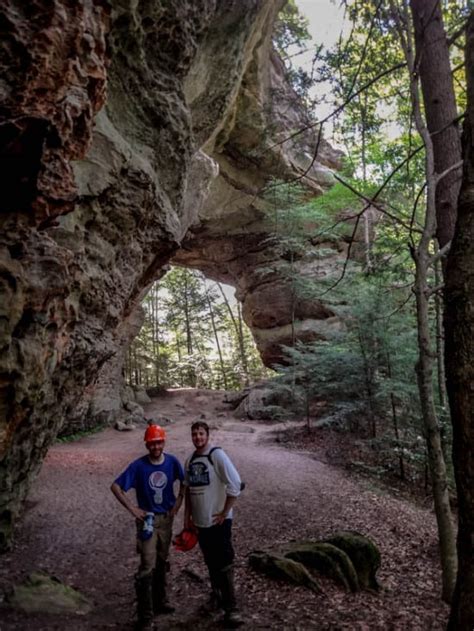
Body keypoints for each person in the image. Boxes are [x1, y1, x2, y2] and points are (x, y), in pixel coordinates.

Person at [111, 425, 184, 630]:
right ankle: (145, 616)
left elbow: (184, 481)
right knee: (147, 565)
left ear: (164, 442)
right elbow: (116, 486)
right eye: (152, 443)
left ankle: (161, 601)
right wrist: (133, 509)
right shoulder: (138, 467)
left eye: (159, 442)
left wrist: (178, 503)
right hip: (148, 522)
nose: (156, 446)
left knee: (162, 561)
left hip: (166, 520)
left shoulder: (172, 462)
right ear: (147, 444)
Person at [184, 421, 244, 628]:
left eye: (201, 433)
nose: (197, 437)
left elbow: (235, 483)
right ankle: (217, 596)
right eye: (194, 434)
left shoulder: (216, 455)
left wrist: (225, 512)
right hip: (201, 524)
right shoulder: (190, 460)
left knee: (224, 561)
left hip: (219, 522)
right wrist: (187, 521)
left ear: (207, 435)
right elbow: (188, 493)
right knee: (210, 562)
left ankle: (232, 608)